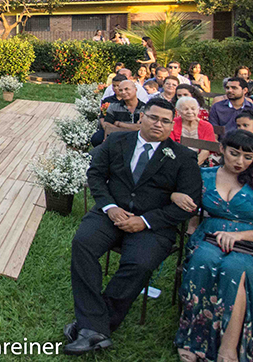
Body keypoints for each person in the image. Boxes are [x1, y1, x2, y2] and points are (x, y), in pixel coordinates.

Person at [64, 98, 202, 354]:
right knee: (83, 243)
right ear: (142, 117)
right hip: (110, 214)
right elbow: (95, 174)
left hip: (152, 226)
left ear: (173, 125)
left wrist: (145, 221)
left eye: (165, 121)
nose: (158, 124)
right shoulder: (116, 142)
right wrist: (109, 207)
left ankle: (92, 325)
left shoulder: (184, 157)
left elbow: (189, 203)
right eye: (153, 117)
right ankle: (96, 327)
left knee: (139, 263)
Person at [172, 130, 253, 362]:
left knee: (236, 269)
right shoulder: (204, 175)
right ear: (222, 149)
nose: (239, 162)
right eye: (234, 154)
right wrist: (175, 196)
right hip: (210, 237)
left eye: (247, 157)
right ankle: (193, 337)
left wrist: (240, 235)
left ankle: (229, 347)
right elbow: (176, 194)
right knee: (203, 261)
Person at [93, 80, 146, 148]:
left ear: (135, 90)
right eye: (120, 90)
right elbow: (108, 127)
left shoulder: (145, 108)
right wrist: (134, 129)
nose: (123, 92)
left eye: (126, 89)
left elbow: (143, 129)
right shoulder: (113, 106)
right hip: (117, 141)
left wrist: (119, 124)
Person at [171, 95, 216, 165]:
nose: (190, 112)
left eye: (193, 109)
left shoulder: (206, 126)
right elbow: (172, 147)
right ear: (178, 111)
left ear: (198, 110)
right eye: (186, 109)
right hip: (176, 161)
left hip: (200, 163)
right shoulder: (173, 124)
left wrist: (193, 165)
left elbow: (206, 150)